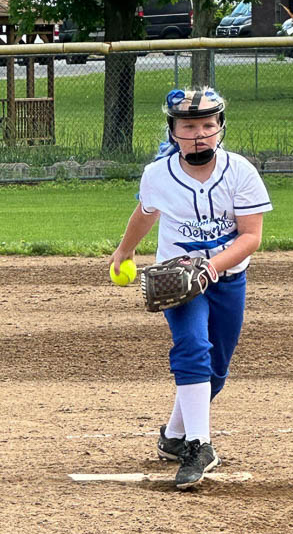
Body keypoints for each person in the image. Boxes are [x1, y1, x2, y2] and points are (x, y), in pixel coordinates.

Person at [110, 87, 272, 489]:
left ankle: (174, 436)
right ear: (173, 131)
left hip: (228, 278)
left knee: (216, 371)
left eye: (207, 125)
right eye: (188, 125)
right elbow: (145, 213)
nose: (199, 134)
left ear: (220, 129)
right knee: (192, 349)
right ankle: (200, 445)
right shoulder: (157, 175)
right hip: (178, 278)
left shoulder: (240, 173)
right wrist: (124, 250)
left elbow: (250, 237)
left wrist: (211, 269)